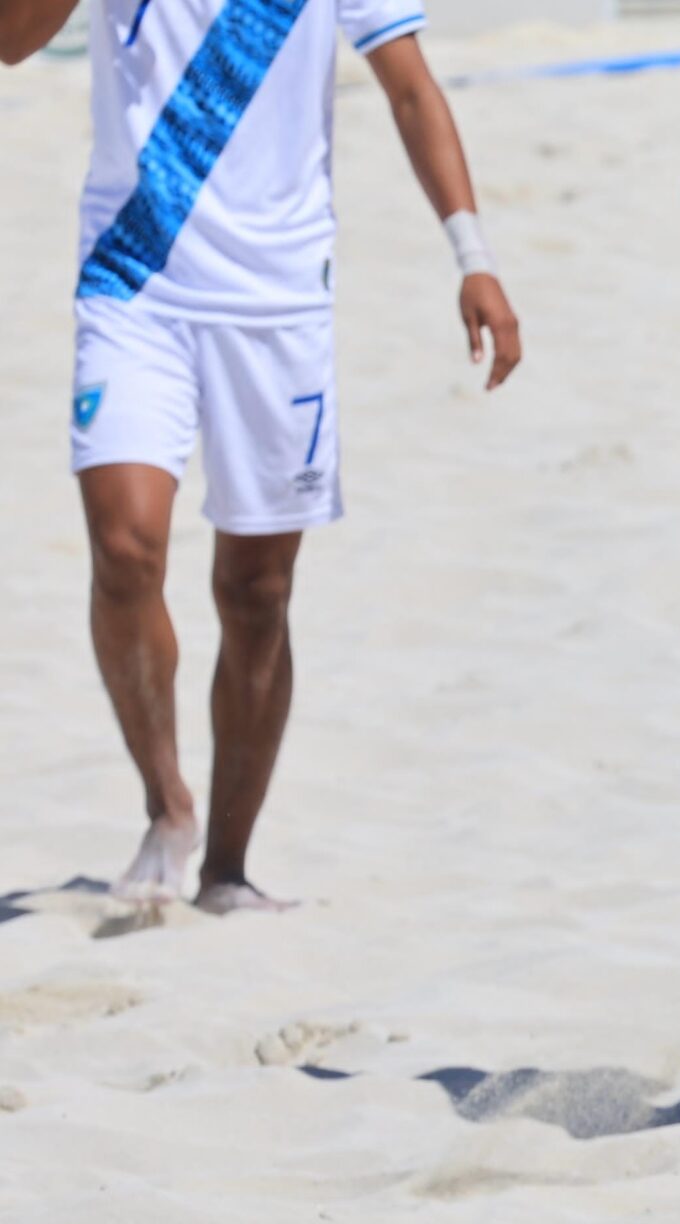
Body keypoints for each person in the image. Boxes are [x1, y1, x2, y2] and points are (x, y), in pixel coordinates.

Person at [7, 0, 522, 913]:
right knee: (125, 550)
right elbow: (12, 43)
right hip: (134, 278)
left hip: (279, 299)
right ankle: (167, 807)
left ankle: (226, 871)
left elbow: (410, 88)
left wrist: (471, 255)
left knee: (256, 592)